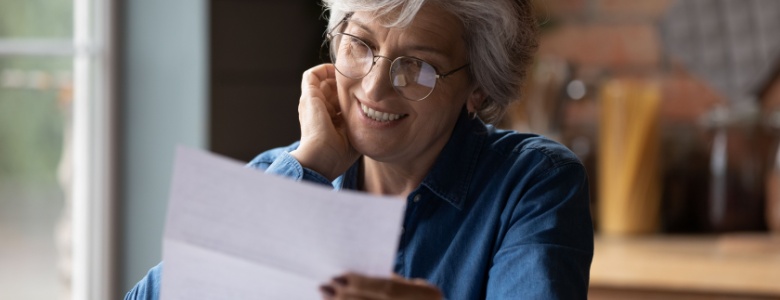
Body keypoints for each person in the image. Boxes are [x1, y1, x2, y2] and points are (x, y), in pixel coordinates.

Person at [126, 0, 593, 299]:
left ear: (478, 88)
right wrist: (311, 168)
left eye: (418, 67)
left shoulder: (534, 182)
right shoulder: (283, 174)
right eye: (360, 45)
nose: (374, 88)